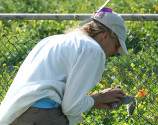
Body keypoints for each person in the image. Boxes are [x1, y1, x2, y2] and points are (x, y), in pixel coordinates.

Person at [0, 8, 128, 125]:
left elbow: (52, 92)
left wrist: (94, 102)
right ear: (105, 36)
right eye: (117, 45)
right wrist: (99, 98)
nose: (116, 52)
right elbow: (71, 107)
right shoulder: (93, 49)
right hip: (43, 116)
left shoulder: (52, 40)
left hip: (14, 114)